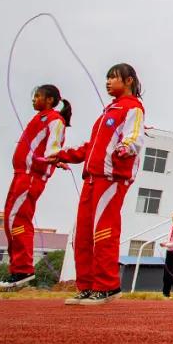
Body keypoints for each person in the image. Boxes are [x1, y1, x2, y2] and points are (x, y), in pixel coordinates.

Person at [47, 63, 145, 306]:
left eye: (113, 78)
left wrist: (125, 147)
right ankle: (87, 285)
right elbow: (90, 147)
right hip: (91, 178)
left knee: (104, 231)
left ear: (129, 80)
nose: (108, 82)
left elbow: (134, 136)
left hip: (111, 178)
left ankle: (107, 286)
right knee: (82, 234)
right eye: (107, 78)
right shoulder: (107, 112)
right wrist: (62, 154)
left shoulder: (133, 108)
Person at [0, 84, 71, 290]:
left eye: (37, 96)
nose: (33, 99)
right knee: (10, 219)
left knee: (18, 219)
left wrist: (55, 159)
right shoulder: (39, 118)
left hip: (31, 177)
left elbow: (53, 148)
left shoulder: (55, 121)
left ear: (50, 100)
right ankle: (17, 268)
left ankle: (23, 269)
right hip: (21, 174)